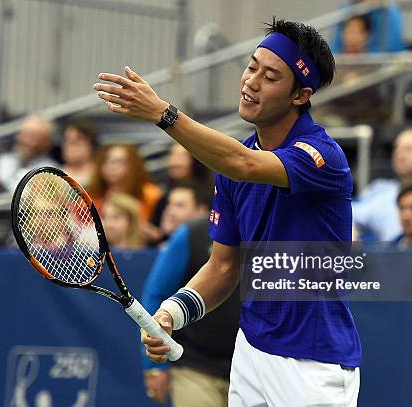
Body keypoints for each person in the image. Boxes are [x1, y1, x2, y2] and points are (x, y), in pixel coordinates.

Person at [94, 18, 360, 406]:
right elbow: (223, 267)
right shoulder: (233, 166)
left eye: (270, 77)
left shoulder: (322, 156)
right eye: (252, 66)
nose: (251, 81)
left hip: (313, 363)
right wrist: (171, 314)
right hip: (251, 351)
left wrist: (162, 114)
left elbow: (245, 164)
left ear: (300, 96)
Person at [142, 217, 240, 406]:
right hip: (195, 366)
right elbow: (156, 293)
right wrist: (154, 367)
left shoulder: (271, 231)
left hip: (250, 367)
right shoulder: (191, 234)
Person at [353, 128, 412, 240]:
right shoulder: (380, 191)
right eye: (397, 148)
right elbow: (345, 214)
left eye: (408, 149)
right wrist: (350, 230)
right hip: (390, 256)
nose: (399, 154)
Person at [87, 143, 162, 223]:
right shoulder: (90, 197)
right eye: (106, 161)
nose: (111, 166)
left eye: (119, 161)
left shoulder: (151, 194)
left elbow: (159, 232)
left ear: (133, 165)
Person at [0, 114, 58, 192]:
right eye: (23, 134)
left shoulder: (49, 172)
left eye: (31, 136)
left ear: (45, 143)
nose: (23, 140)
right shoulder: (3, 160)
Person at [331, 0, 406, 53]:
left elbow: (390, 51)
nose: (352, 37)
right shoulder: (346, 10)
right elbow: (335, 49)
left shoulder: (387, 10)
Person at [61, 116, 99, 187]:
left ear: (92, 146)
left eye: (77, 140)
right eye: (67, 139)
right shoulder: (53, 175)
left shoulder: (102, 176)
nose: (70, 145)